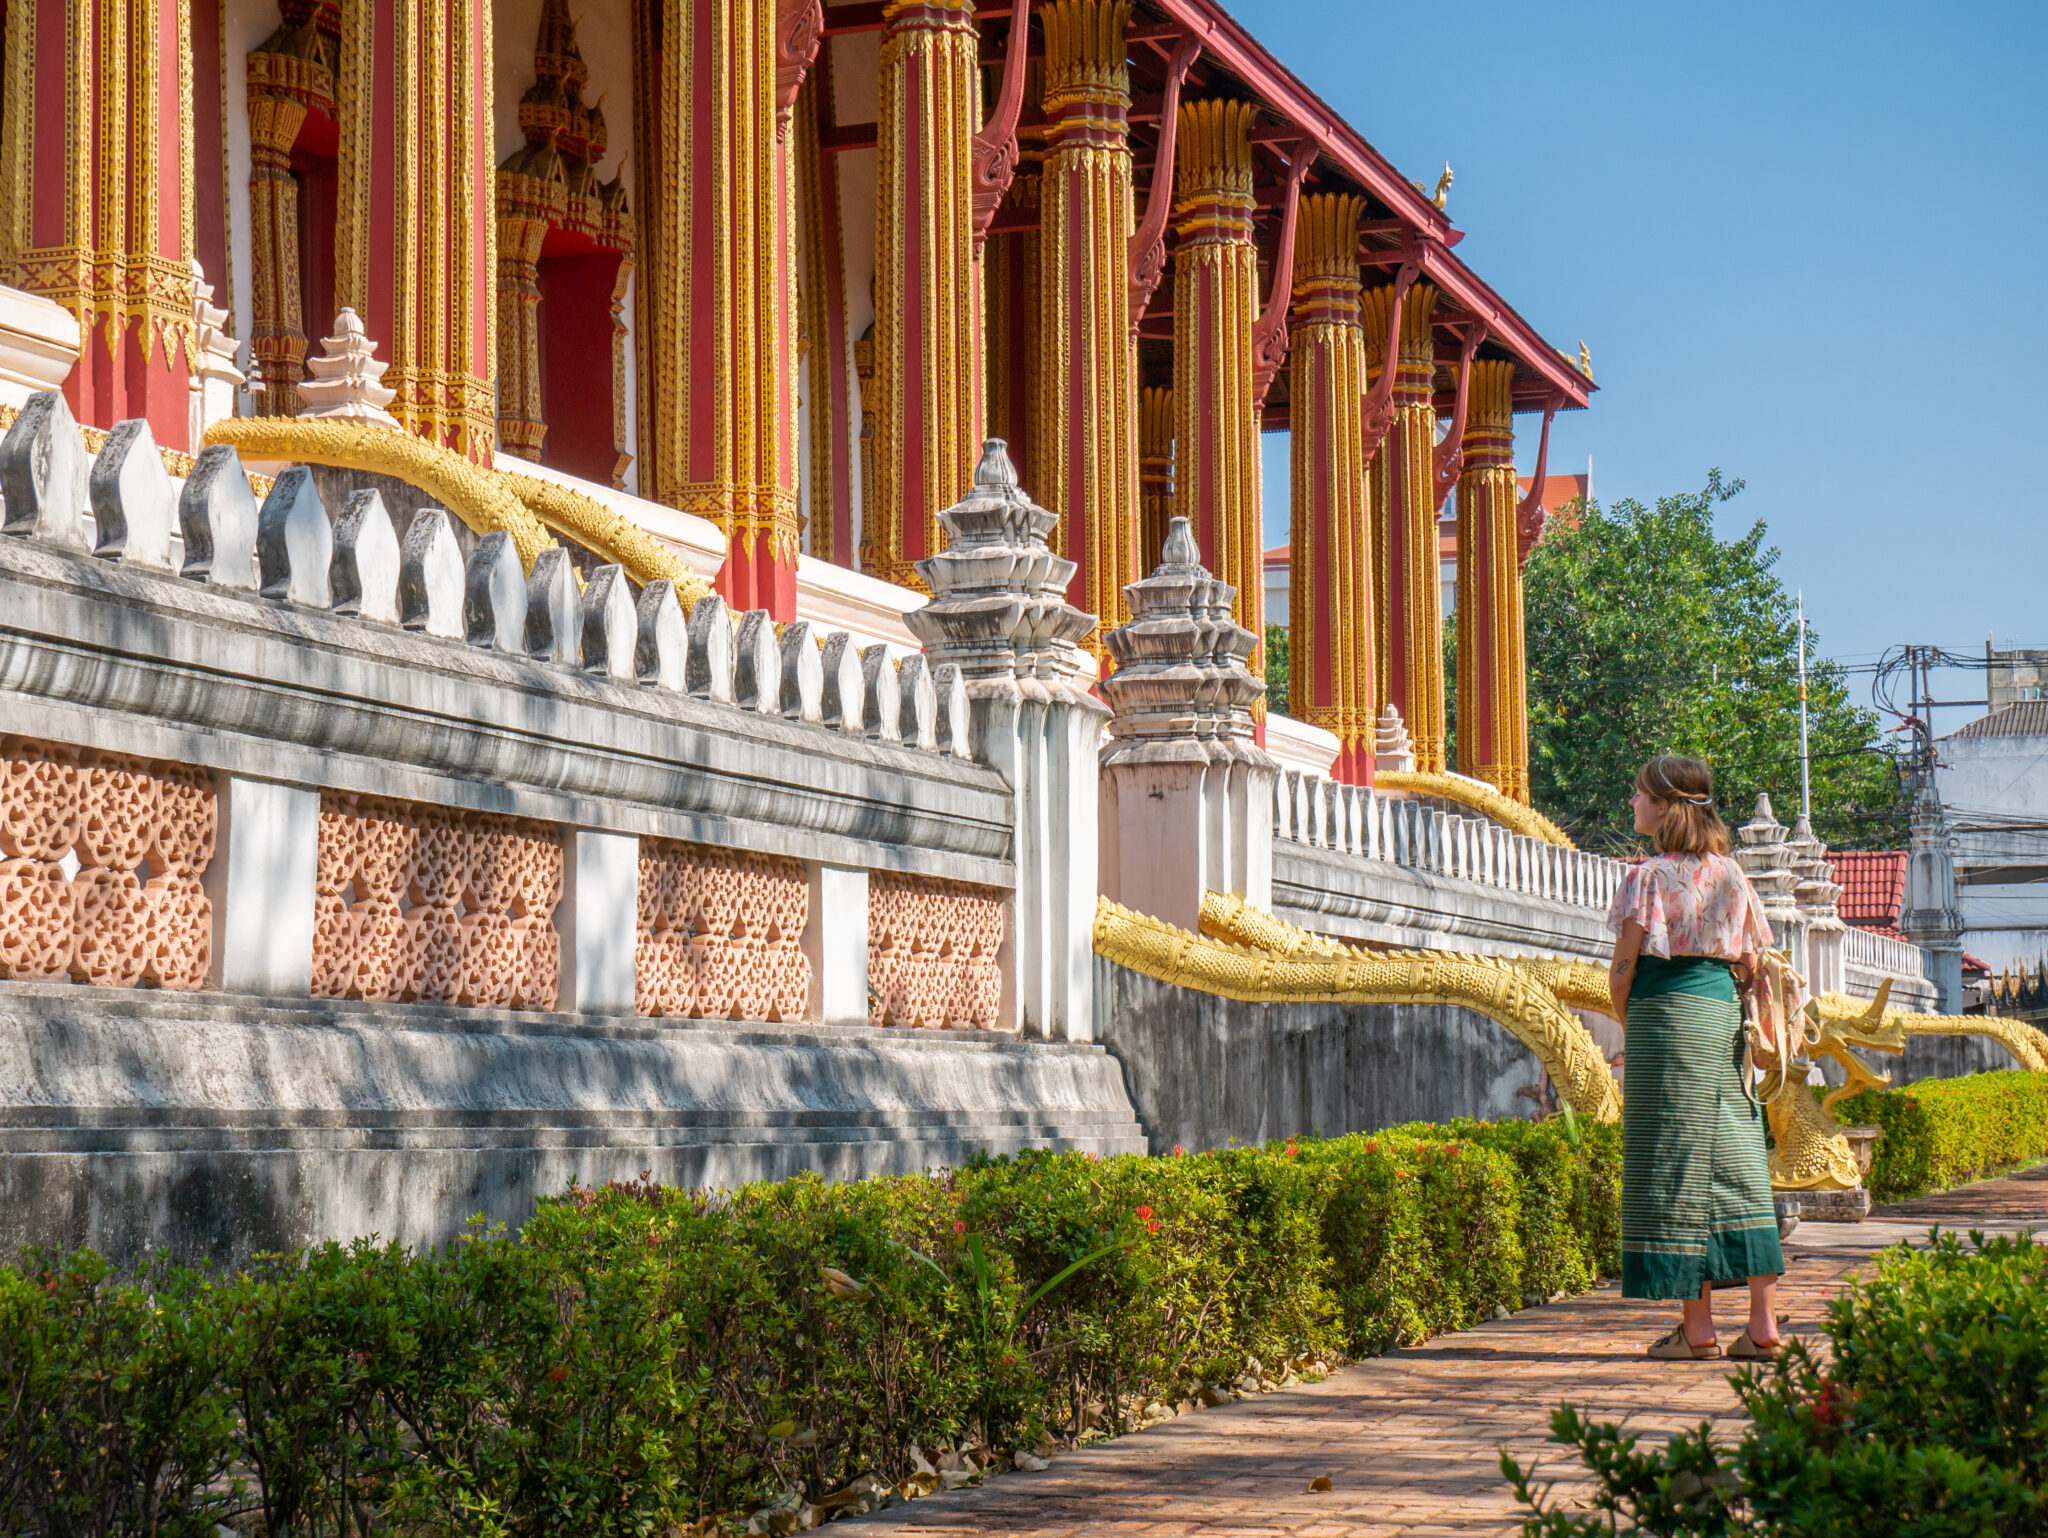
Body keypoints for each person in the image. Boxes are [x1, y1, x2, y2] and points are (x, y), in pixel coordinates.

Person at [1606, 754, 1785, 1361]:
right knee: (1736, 1157)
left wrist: (1637, 1025)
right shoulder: (1733, 876)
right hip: (1721, 1018)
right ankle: (1762, 1325)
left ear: (1664, 806)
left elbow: (1623, 973)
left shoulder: (1647, 877)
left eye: (1638, 795)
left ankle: (1698, 1327)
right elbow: (1755, 967)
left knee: (1675, 1163)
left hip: (1664, 1018)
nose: (1632, 804)